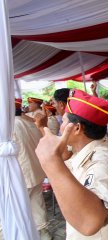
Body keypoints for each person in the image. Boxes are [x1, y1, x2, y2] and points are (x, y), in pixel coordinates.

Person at [35, 90, 108, 240]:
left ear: (77, 128)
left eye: (65, 121)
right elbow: (67, 158)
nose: (61, 127)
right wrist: (44, 130)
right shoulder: (95, 146)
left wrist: (51, 163)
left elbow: (90, 223)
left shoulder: (100, 161)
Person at [11, 98, 52, 240]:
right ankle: (43, 232)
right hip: (36, 170)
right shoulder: (31, 123)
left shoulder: (10, 127)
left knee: (18, 208)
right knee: (36, 202)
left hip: (21, 173)